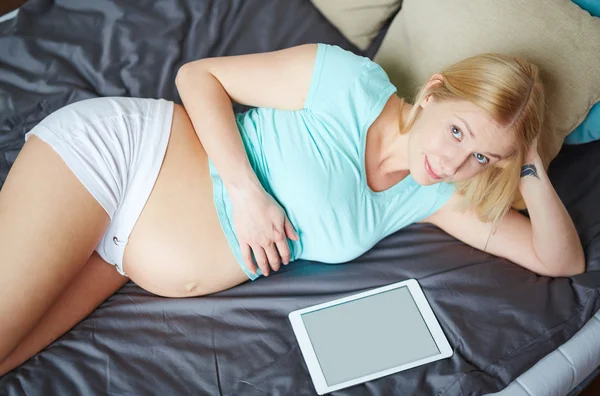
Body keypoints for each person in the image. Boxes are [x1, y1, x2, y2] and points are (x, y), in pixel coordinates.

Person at [0, 43, 585, 376]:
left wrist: (527, 161)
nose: (458, 163)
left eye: (484, 157)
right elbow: (197, 76)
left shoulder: (432, 196)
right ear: (433, 92)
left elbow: (560, 260)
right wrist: (245, 191)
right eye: (458, 131)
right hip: (121, 159)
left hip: (121, 260)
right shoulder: (349, 83)